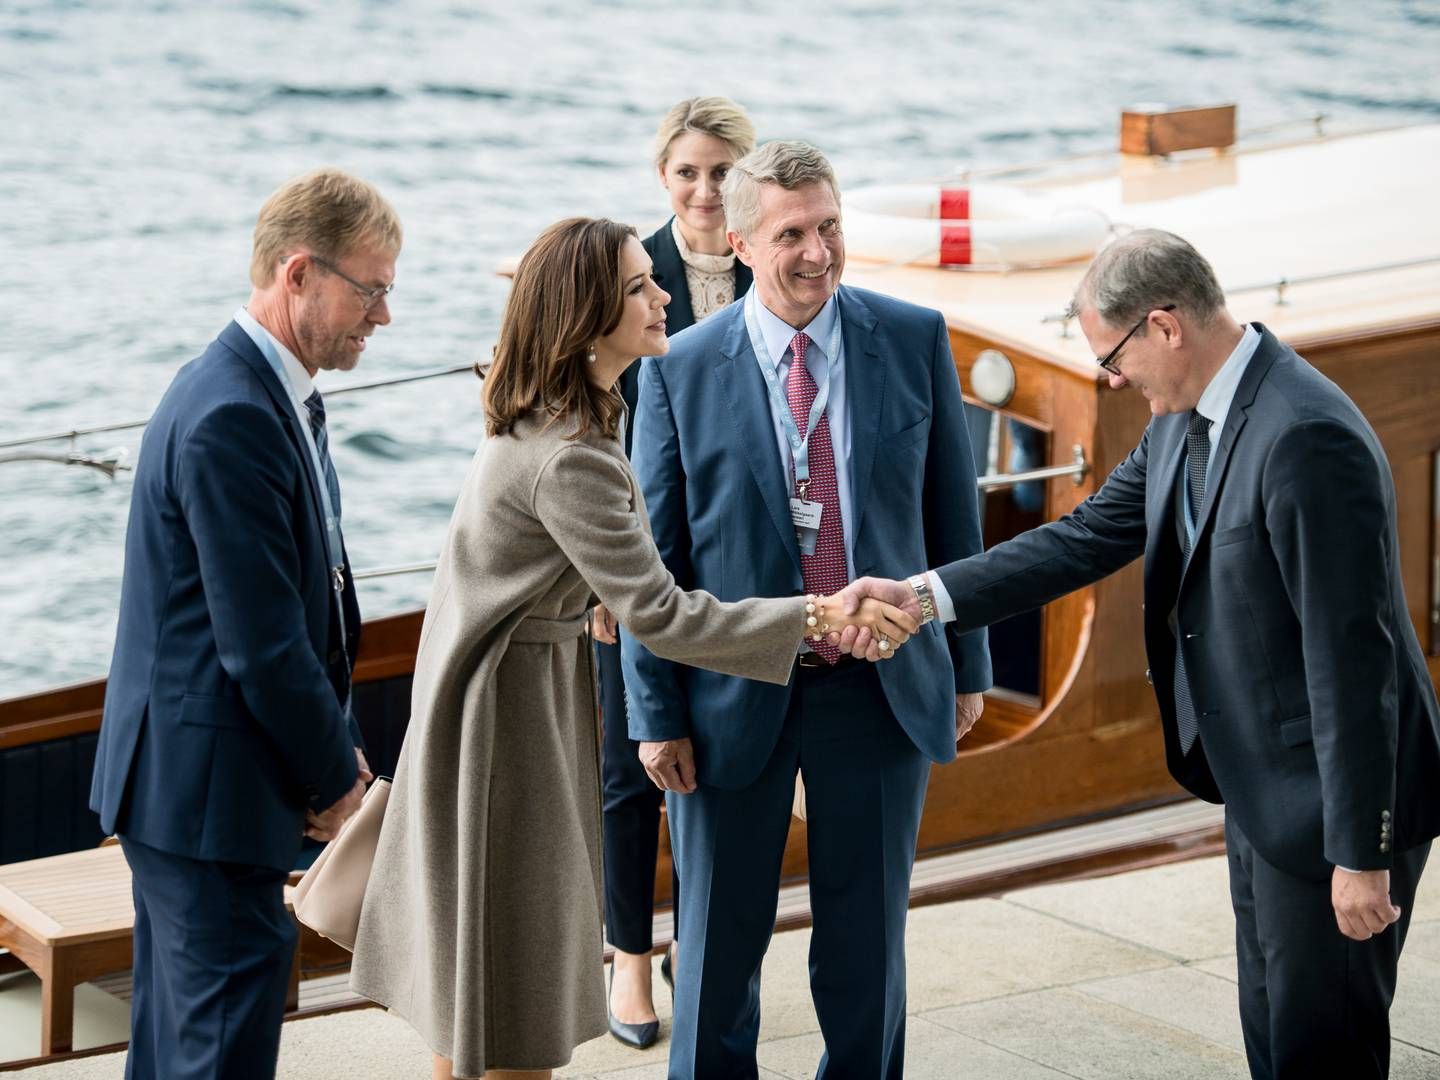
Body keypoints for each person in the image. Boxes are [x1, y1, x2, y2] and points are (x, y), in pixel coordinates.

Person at [837, 228, 1440, 1080]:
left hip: (1331, 805)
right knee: (1274, 1031)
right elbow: (1082, 539)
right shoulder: (1184, 422)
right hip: (1261, 788)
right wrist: (924, 598)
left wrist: (1360, 853)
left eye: (1113, 356)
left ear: (1164, 327)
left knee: (1324, 1046)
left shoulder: (1305, 437)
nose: (1112, 379)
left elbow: (1356, 665)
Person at [346, 217, 915, 1080]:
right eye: (640, 286)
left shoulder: (563, 416)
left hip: (487, 702)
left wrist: (595, 596)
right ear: (587, 317)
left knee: (475, 998)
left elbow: (599, 581)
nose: (664, 294)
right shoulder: (572, 454)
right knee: (513, 1006)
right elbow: (665, 614)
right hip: (510, 730)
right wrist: (816, 617)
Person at [621, 141, 992, 1079]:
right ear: (740, 241)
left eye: (830, 227)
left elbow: (957, 517)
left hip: (881, 685)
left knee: (867, 949)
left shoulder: (913, 338)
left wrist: (968, 668)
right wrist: (655, 714)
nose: (819, 253)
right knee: (716, 950)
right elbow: (651, 566)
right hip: (729, 693)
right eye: (793, 234)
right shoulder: (677, 370)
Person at [88, 168, 400, 1079]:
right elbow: (263, 646)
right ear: (298, 273)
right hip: (206, 797)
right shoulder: (232, 414)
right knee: (217, 1049)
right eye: (371, 289)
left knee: (175, 1044)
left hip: (196, 784)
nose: (382, 316)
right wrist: (340, 786)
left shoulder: (275, 391)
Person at [598, 94, 757, 1050]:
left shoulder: (772, 261)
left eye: (720, 171)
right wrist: (597, 579)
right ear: (663, 177)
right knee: (629, 766)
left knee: (724, 764)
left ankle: (703, 947)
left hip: (733, 567)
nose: (704, 190)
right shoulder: (625, 269)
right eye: (688, 171)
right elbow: (577, 415)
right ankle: (626, 957)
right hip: (627, 555)